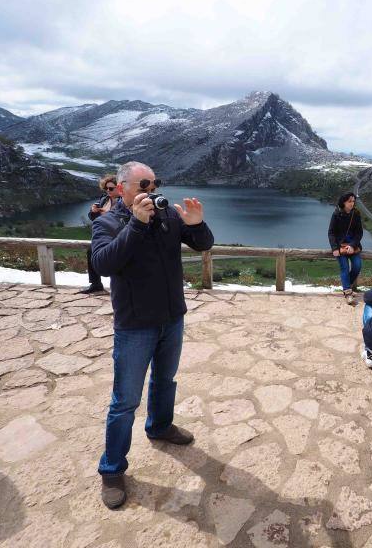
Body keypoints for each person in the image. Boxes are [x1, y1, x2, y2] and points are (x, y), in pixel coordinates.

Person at [90, 161, 214, 508]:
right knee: (125, 400)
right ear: (122, 187)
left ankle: (160, 426)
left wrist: (197, 223)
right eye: (143, 183)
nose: (151, 189)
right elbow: (103, 264)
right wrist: (137, 224)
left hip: (172, 318)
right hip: (134, 325)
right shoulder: (107, 223)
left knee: (165, 380)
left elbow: (203, 244)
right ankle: (112, 469)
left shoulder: (168, 216)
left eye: (154, 182)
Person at [79, 174, 120, 294]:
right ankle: (96, 283)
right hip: (105, 234)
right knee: (91, 250)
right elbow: (93, 218)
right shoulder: (104, 199)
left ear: (119, 188)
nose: (108, 191)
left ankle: (119, 286)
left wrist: (109, 214)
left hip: (119, 235)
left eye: (111, 188)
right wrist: (93, 211)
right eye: (106, 188)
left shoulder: (125, 201)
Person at [328, 192, 363, 305]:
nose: (352, 203)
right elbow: (331, 232)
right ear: (344, 202)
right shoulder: (336, 214)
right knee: (344, 268)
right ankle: (348, 293)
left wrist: (352, 245)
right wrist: (334, 248)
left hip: (353, 246)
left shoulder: (356, 214)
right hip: (340, 247)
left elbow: (359, 233)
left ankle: (346, 286)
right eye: (350, 201)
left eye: (353, 201)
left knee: (357, 266)